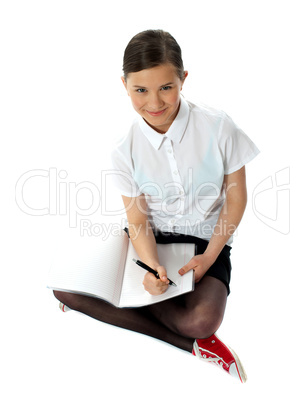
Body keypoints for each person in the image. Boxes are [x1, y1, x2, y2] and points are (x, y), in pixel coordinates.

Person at [54, 29, 259, 383]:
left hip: (205, 242)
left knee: (200, 321)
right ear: (124, 85)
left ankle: (110, 304)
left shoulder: (218, 126)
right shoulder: (124, 147)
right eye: (140, 90)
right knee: (64, 287)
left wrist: (209, 257)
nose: (154, 102)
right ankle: (192, 347)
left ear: (183, 79)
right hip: (151, 239)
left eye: (166, 87)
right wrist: (150, 267)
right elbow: (136, 217)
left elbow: (236, 199)